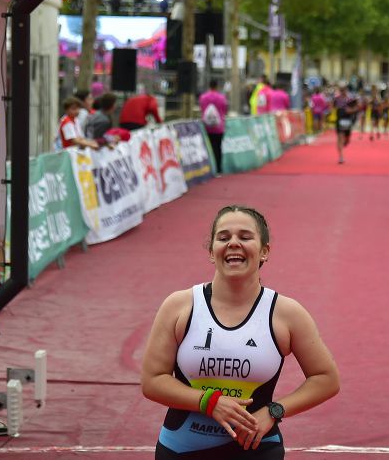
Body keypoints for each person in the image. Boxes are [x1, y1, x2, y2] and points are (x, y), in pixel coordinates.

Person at [142, 205, 340, 457]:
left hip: (257, 448)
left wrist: (274, 411)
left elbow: (326, 378)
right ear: (212, 252)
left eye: (245, 237)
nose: (233, 243)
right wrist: (209, 402)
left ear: (264, 251)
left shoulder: (286, 313)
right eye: (223, 238)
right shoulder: (180, 306)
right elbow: (152, 381)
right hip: (182, 449)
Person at [199, 80, 228, 174]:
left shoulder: (203, 97)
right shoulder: (222, 98)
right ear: (217, 87)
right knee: (218, 147)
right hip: (219, 127)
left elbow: (202, 109)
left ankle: (209, 169)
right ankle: (218, 169)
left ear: (209, 86)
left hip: (207, 127)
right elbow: (224, 110)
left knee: (208, 148)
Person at [333, 84, 360, 165]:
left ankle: (346, 141)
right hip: (339, 120)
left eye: (344, 90)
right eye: (341, 90)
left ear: (346, 90)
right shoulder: (336, 99)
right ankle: (341, 157)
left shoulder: (350, 99)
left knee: (347, 140)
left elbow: (357, 107)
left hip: (348, 121)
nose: (342, 91)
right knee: (340, 138)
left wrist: (351, 110)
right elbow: (332, 107)